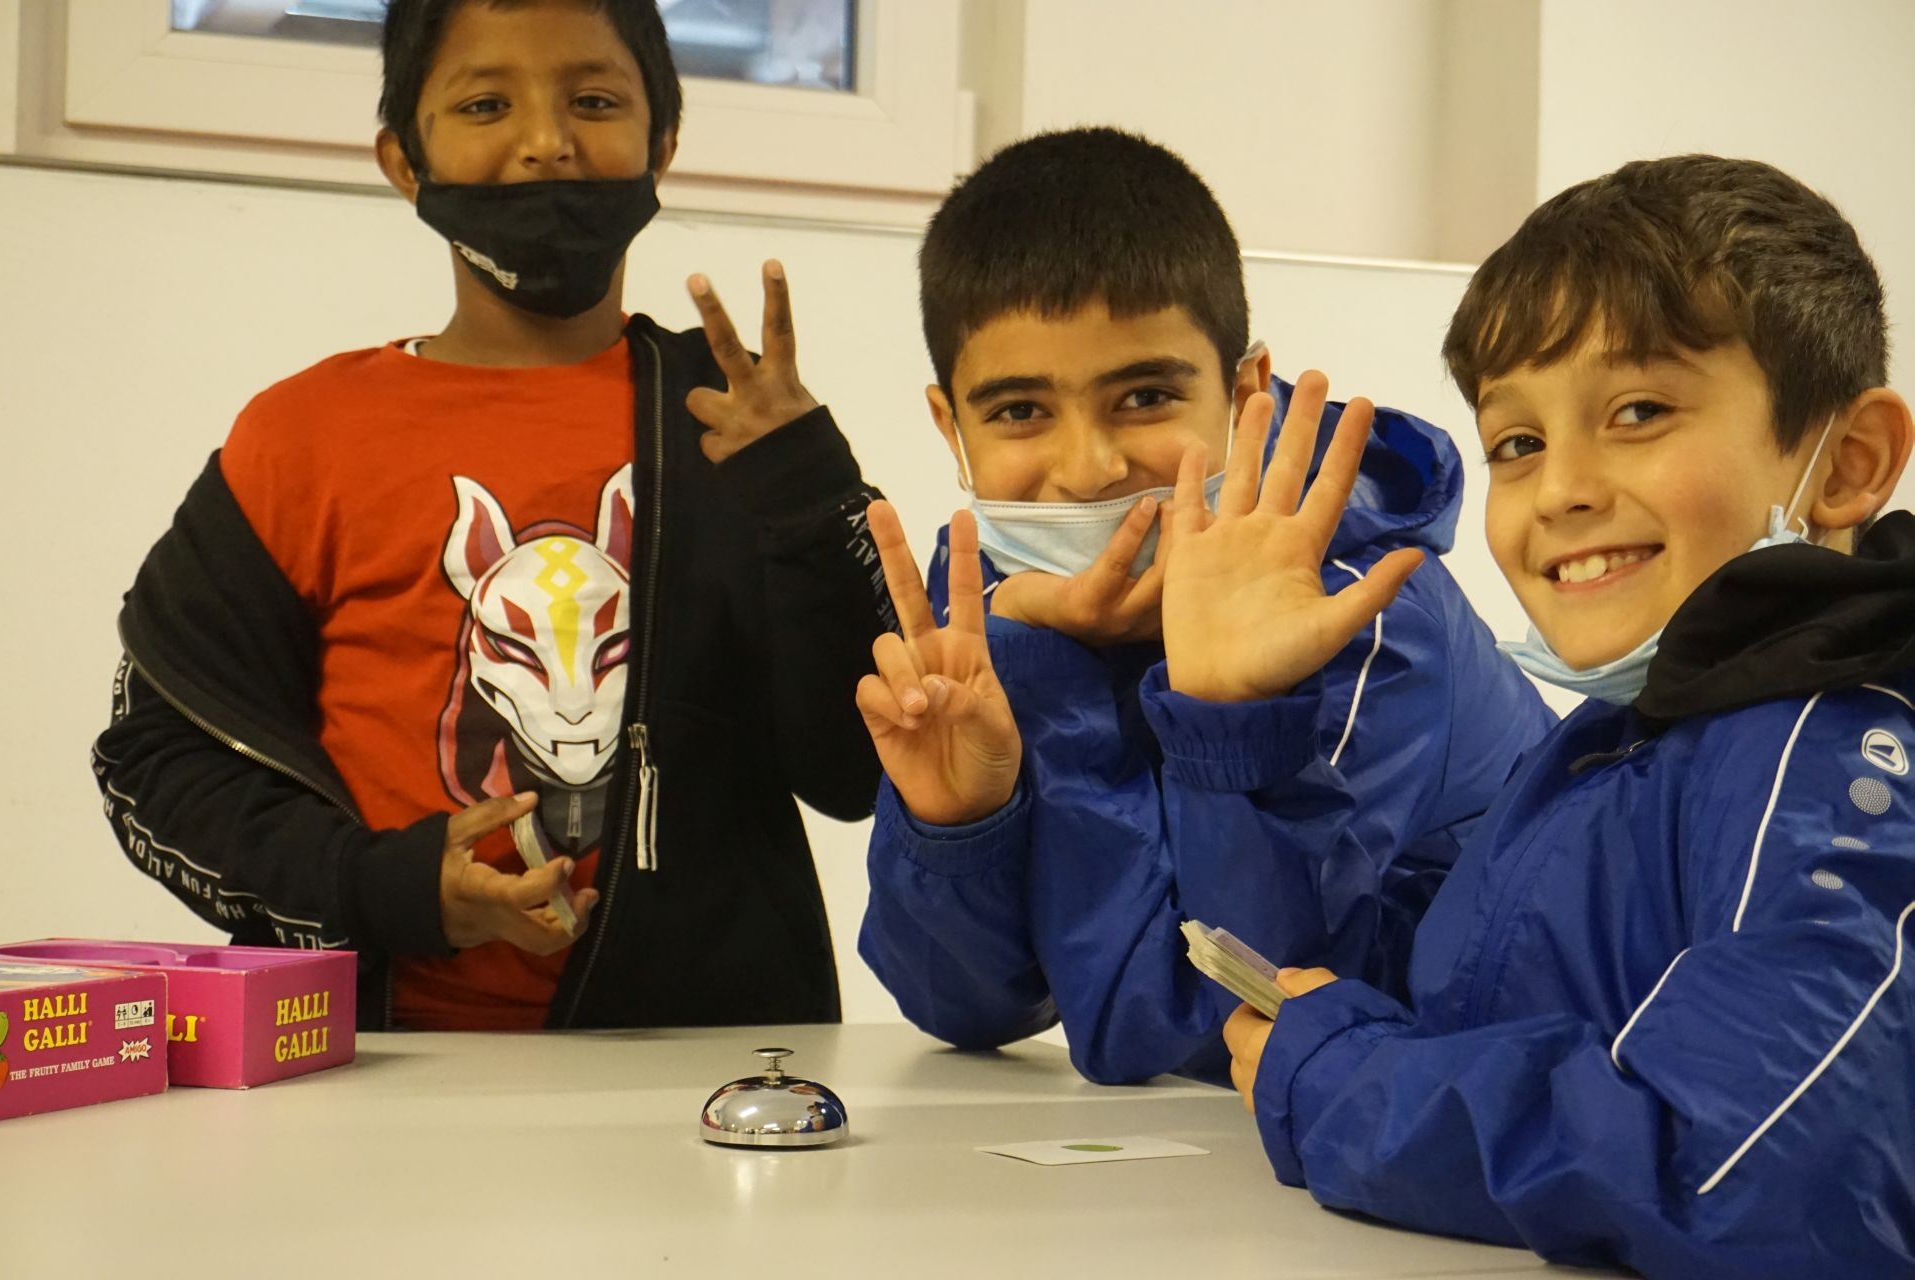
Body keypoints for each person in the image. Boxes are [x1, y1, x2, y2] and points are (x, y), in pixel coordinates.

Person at [92, 0, 891, 1032]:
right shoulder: (303, 436)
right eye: (484, 104)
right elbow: (159, 758)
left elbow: (855, 771)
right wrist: (388, 887)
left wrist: (815, 498)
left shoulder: (738, 426)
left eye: (594, 101)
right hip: (373, 1068)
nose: (547, 141)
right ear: (404, 159)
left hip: (701, 1071)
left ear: (663, 140)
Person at [1206, 156, 1915, 1276]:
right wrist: (1236, 720)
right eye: (1518, 443)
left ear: (1849, 463)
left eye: (1639, 412)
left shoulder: (1835, 758)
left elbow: (1750, 1174)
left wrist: (1345, 1081)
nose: (1561, 489)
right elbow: (1437, 1005)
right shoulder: (1608, 741)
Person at [855, 127, 1554, 1084]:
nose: (1088, 469)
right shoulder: (1003, 596)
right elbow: (966, 1006)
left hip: (1469, 1105)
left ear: (1244, 390)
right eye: (1020, 412)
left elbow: (1192, 1024)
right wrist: (959, 824)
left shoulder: (1355, 613)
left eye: (1145, 397)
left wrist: (1051, 674)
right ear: (952, 426)